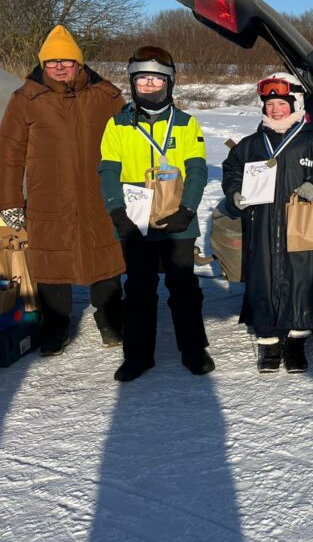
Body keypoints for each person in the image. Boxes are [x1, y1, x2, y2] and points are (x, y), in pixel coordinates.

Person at [0, 25, 125, 355]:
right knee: (51, 264)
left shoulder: (107, 96)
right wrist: (10, 200)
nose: (58, 66)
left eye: (65, 60)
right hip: (48, 195)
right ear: (42, 64)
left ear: (79, 63)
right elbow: (9, 154)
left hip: (100, 194)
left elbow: (130, 146)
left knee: (106, 258)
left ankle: (111, 320)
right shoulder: (26, 99)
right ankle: (56, 327)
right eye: (51, 61)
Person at [98, 46, 214, 381]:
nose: (149, 85)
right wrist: (116, 211)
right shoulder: (118, 124)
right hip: (135, 218)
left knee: (184, 287)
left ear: (170, 82)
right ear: (133, 83)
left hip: (178, 217)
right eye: (142, 80)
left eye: (156, 79)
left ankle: (193, 350)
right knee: (138, 288)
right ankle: (138, 355)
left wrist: (188, 208)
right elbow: (107, 170)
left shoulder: (185, 124)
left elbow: (197, 169)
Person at [222, 73, 313, 373]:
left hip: (300, 226)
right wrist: (235, 193)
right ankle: (268, 343)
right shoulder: (252, 144)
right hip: (262, 227)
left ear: (296, 104)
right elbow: (231, 170)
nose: (276, 109)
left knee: (301, 283)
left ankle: (295, 343)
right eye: (270, 104)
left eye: (282, 103)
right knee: (264, 281)